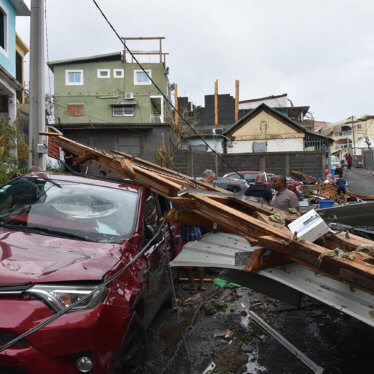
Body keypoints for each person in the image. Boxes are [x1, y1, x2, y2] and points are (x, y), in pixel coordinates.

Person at [182, 169, 215, 292]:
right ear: (210, 177)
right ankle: (201, 284)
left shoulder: (189, 199)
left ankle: (193, 285)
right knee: (199, 259)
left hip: (190, 233)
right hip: (196, 231)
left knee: (188, 262)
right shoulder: (202, 190)